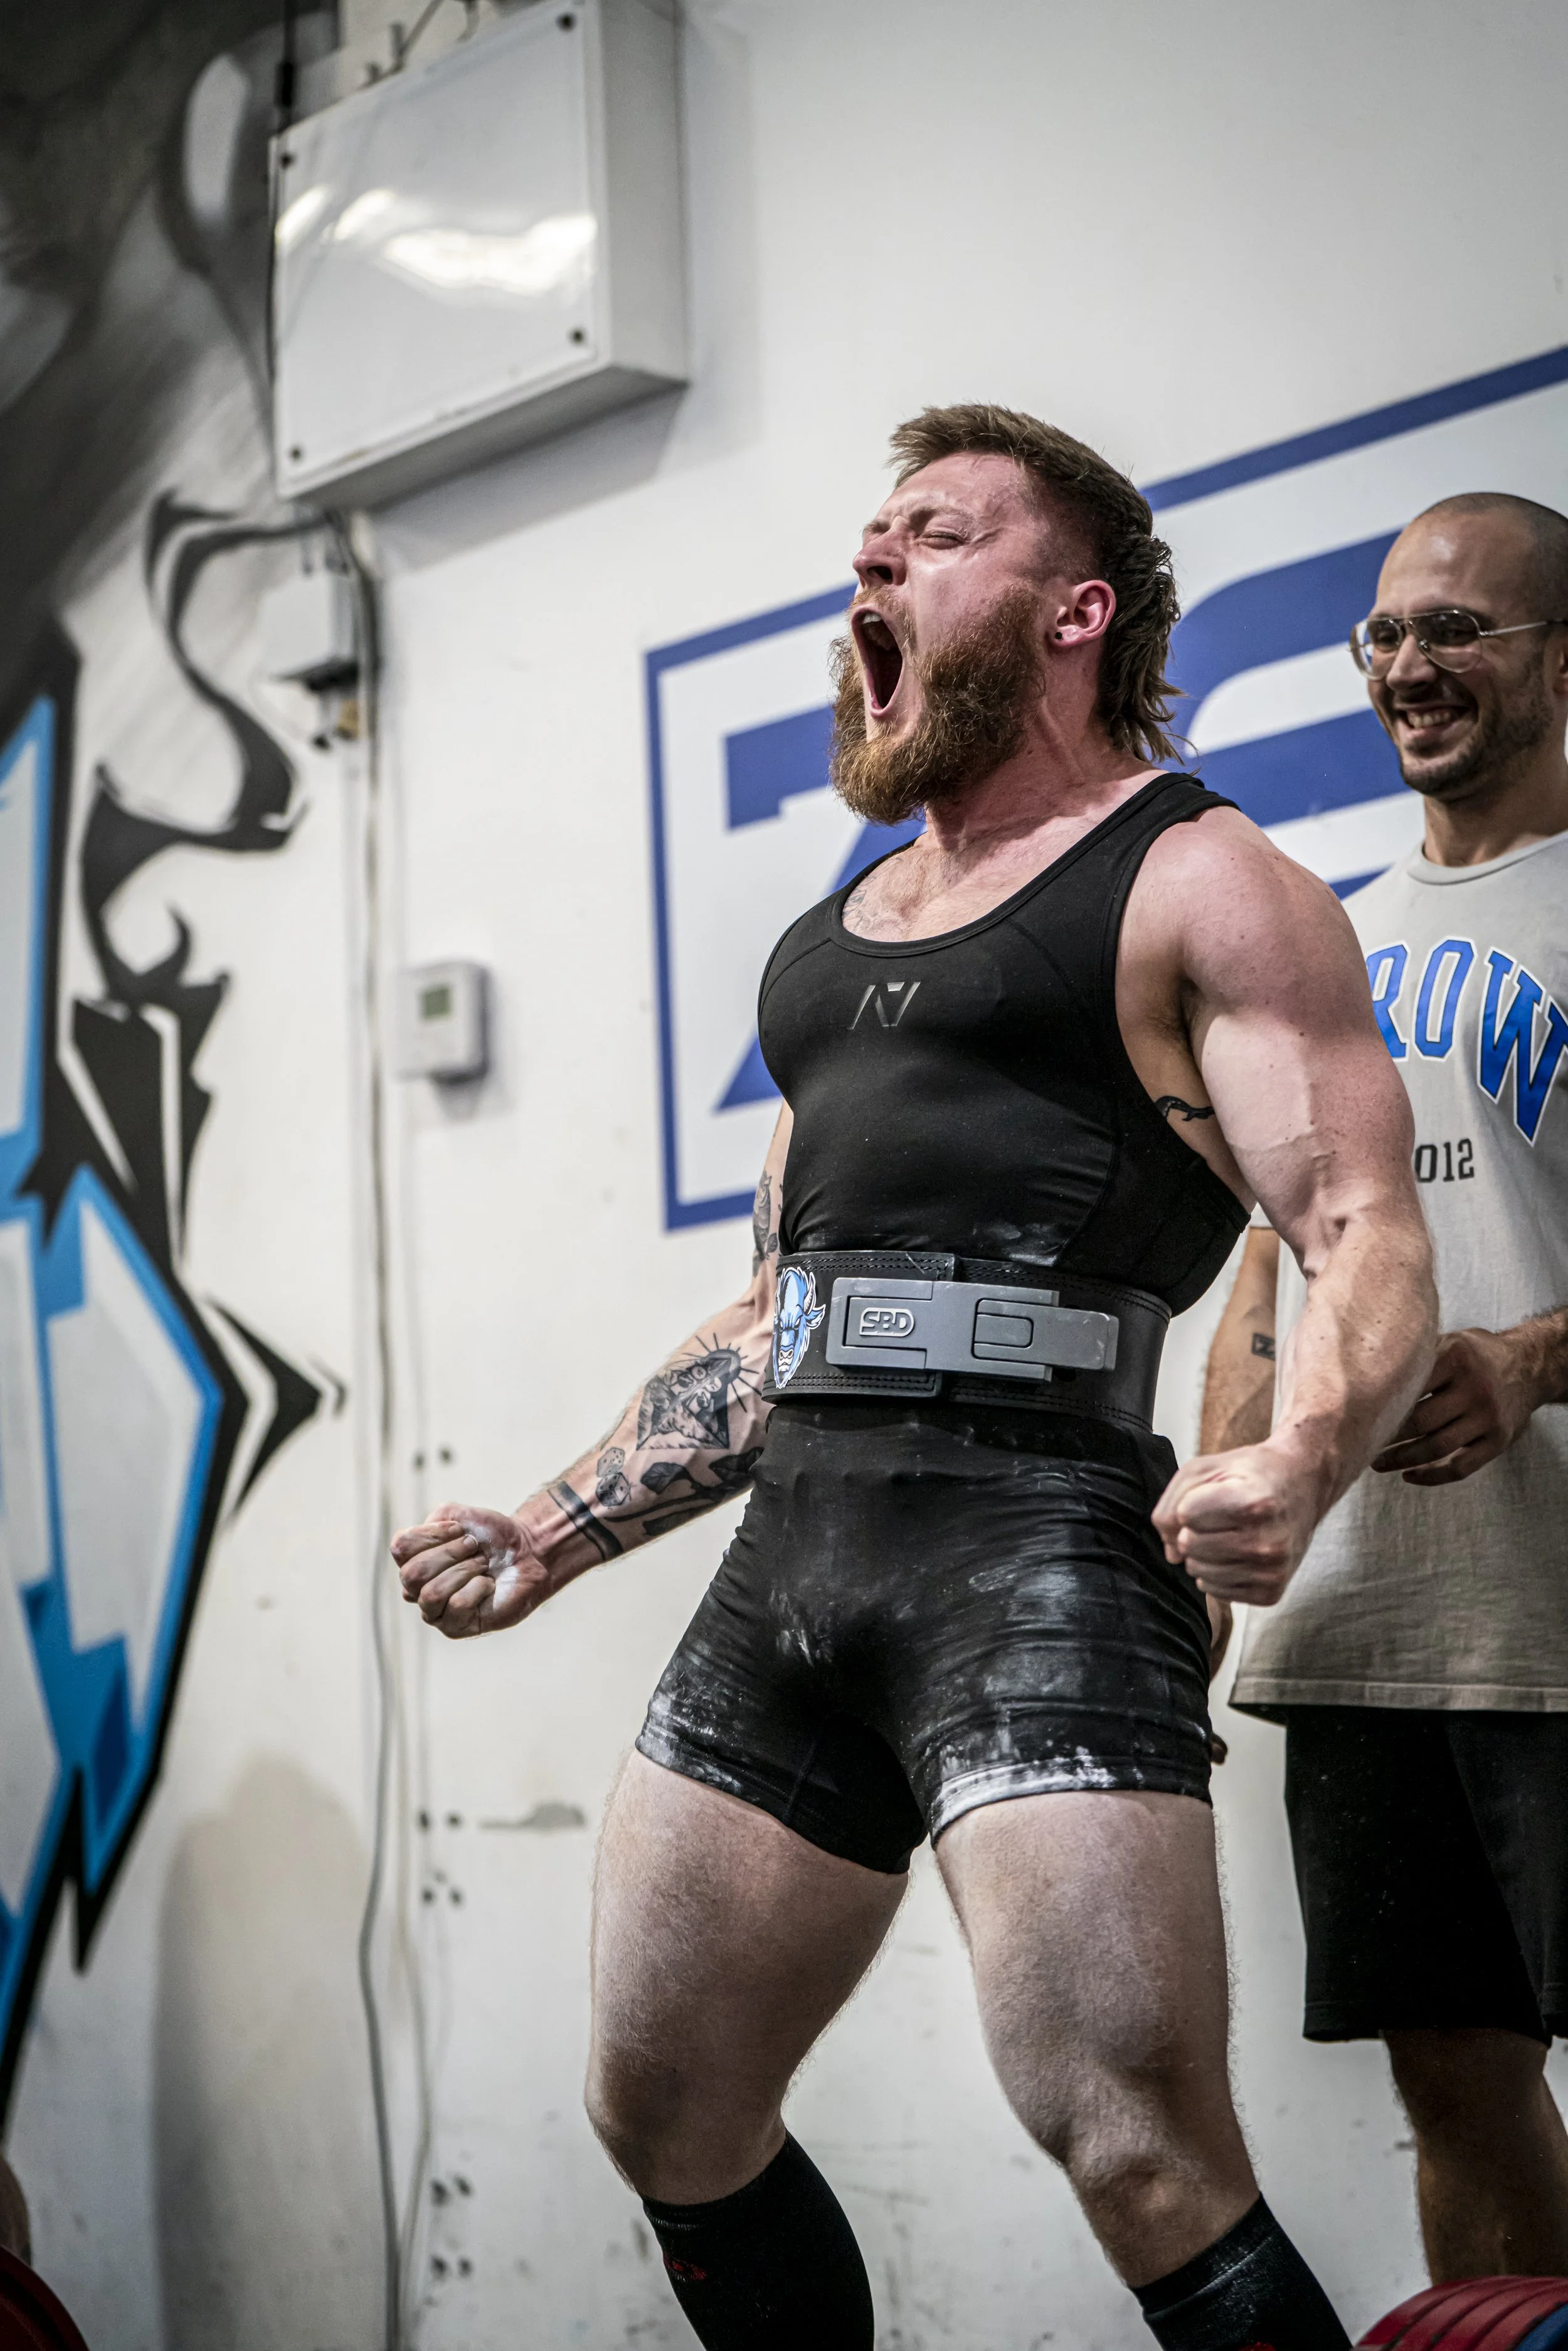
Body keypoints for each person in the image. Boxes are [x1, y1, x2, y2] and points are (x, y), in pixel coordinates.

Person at [394, 404, 1436, 2350]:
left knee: (1136, 2144)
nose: (872, 566)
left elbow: (1360, 1227)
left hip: (1034, 1556)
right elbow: (779, 1321)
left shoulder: (1200, 879)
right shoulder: (835, 936)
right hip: (794, 1562)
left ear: (1070, 611)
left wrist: (1301, 1452)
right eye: (870, 540)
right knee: (665, 2103)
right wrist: (546, 1525)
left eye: (935, 536)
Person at [1210, 492, 1568, 2286]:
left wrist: (1525, 1354)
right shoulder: (1320, 946)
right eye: (1385, 634)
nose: (1410, 666)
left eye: (1458, 631)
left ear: (1560, 661)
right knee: (1453, 2076)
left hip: (1558, 1613)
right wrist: (1197, 1551)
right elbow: (1265, 1275)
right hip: (1369, 1622)